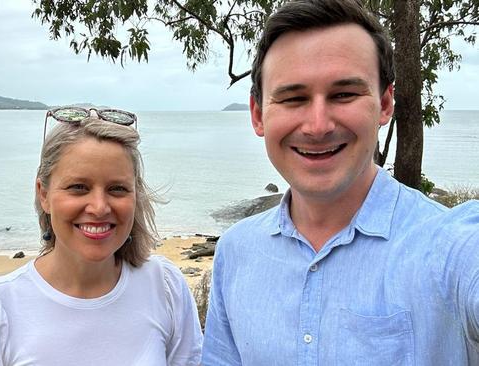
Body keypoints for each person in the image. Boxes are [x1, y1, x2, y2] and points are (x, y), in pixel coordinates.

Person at [201, 0, 479, 364]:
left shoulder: (448, 246)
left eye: (344, 94)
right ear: (258, 115)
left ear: (384, 104)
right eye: (293, 98)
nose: (318, 126)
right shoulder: (237, 252)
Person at [0, 107, 203, 365]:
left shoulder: (165, 287)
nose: (100, 207)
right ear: (43, 194)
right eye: (79, 187)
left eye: (117, 189)